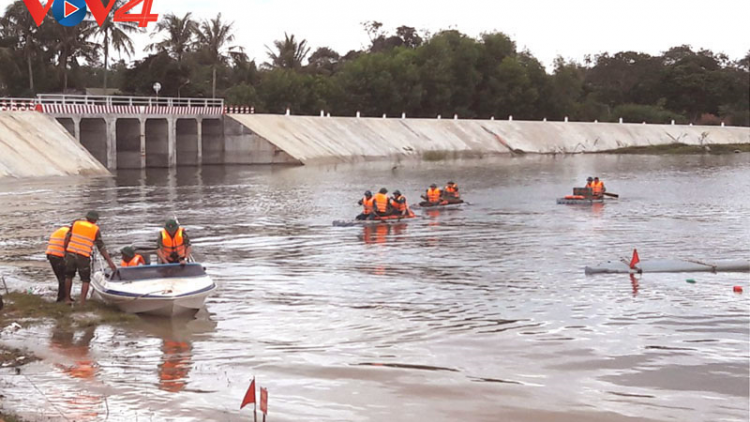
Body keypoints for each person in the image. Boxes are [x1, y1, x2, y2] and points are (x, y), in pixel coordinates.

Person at [63, 211, 117, 305]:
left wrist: (65, 251)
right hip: (83, 256)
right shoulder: (95, 229)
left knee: (68, 276)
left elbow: (67, 238)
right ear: (95, 220)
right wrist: (109, 262)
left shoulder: (76, 224)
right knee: (85, 279)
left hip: (71, 253)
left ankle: (67, 299)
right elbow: (101, 247)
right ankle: (82, 302)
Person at [46, 225, 70, 302]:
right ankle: (61, 298)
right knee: (64, 277)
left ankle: (63, 296)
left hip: (51, 255)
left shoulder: (59, 231)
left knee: (61, 277)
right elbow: (67, 244)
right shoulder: (70, 232)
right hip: (59, 256)